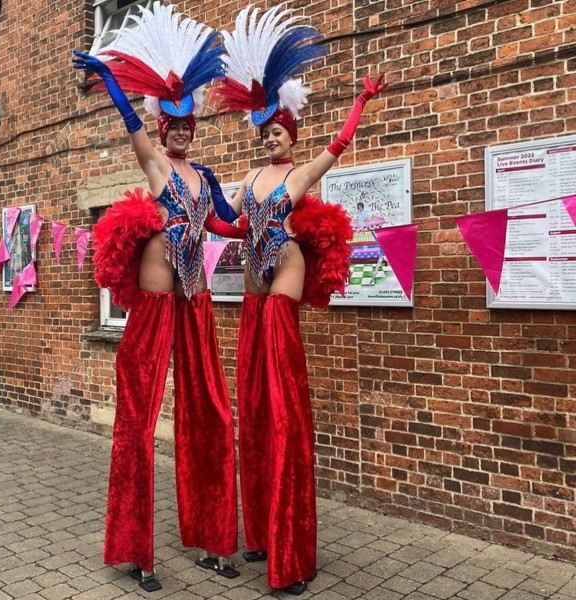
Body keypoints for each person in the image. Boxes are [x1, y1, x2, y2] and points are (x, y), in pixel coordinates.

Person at [193, 5, 388, 595]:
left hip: (281, 290)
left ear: (291, 132)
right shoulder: (250, 179)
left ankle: (293, 551)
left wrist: (362, 100)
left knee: (282, 416)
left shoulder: (299, 174)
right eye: (266, 130)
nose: (271, 135)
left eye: (279, 129)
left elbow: (339, 147)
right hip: (252, 301)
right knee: (252, 416)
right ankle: (261, 535)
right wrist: (199, 207)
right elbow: (233, 230)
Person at [72, 2, 244, 592]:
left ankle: (215, 538)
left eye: (185, 125)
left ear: (194, 129)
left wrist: (264, 225)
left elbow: (222, 224)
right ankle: (136, 552)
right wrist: (108, 74)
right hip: (151, 303)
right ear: (161, 126)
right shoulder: (155, 165)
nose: (176, 131)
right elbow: (129, 123)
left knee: (211, 415)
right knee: (138, 421)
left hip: (194, 301)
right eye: (169, 124)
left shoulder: (207, 178)